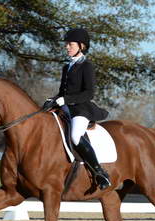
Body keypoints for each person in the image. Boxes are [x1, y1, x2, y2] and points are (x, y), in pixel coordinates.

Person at [44, 28, 111, 190]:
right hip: (65, 107)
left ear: (81, 46)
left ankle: (99, 172)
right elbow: (62, 92)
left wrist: (66, 100)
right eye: (66, 44)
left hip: (81, 109)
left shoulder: (86, 66)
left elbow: (89, 93)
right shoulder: (66, 67)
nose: (67, 47)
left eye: (70, 44)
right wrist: (52, 100)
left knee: (75, 135)